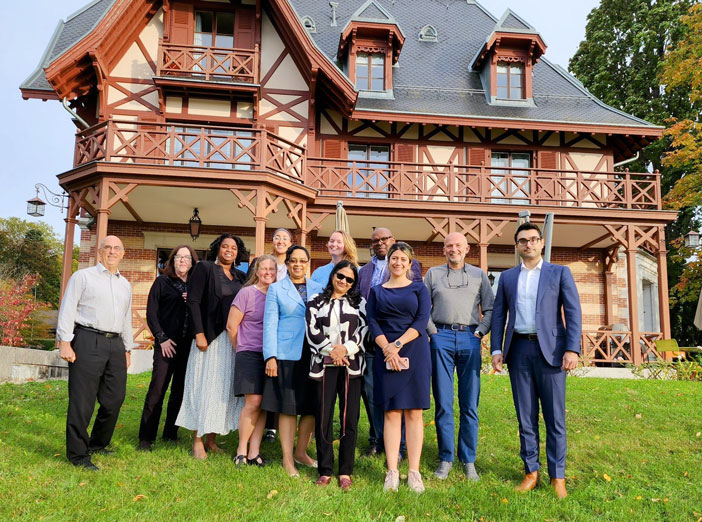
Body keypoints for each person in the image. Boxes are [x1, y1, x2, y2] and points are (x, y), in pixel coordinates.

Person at [491, 223, 582, 499]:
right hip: (518, 350)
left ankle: (558, 476)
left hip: (552, 352)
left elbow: (573, 311)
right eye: (522, 241)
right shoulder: (507, 278)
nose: (528, 244)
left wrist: (572, 349)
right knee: (525, 416)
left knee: (555, 418)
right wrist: (496, 349)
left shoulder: (559, 273)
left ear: (541, 243)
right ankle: (531, 472)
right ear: (517, 246)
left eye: (532, 239)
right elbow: (499, 315)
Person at [57, 235, 133, 470]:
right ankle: (78, 455)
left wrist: (128, 348)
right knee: (83, 400)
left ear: (123, 254)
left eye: (117, 248)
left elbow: (126, 318)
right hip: (88, 339)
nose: (112, 251)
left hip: (115, 344)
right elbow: (68, 308)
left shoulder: (125, 284)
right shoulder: (83, 277)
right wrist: (65, 341)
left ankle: (98, 444)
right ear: (100, 252)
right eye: (107, 247)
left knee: (114, 399)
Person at [424, 232, 494, 481]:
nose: (453, 249)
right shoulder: (433, 274)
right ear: (444, 250)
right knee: (443, 401)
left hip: (469, 337)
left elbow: (490, 308)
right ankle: (446, 458)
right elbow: (423, 307)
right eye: (449, 246)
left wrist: (480, 332)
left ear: (467, 249)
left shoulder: (479, 275)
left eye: (458, 245)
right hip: (441, 337)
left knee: (469, 402)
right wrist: (432, 332)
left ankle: (468, 459)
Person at [176, 234, 248, 459]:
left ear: (238, 253)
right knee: (204, 386)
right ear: (218, 249)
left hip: (231, 339)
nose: (229, 250)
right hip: (209, 338)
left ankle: (211, 439)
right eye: (225, 246)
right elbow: (193, 301)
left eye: (233, 248)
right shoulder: (205, 269)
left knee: (221, 389)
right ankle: (197, 440)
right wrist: (198, 333)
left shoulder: (240, 276)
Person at [367, 242, 431, 493]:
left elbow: (421, 321)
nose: (398, 262)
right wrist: (387, 348)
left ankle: (414, 471)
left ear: (410, 263)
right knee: (391, 412)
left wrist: (397, 345)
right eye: (394, 258)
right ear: (389, 261)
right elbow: (372, 321)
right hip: (385, 352)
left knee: (414, 412)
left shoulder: (419, 289)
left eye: (403, 259)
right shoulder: (376, 291)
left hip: (414, 350)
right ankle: (392, 471)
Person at [358, 227, 422, 456]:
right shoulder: (364, 271)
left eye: (384, 239)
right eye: (375, 240)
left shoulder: (410, 265)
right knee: (373, 392)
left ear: (393, 240)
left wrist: (396, 345)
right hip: (372, 338)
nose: (380, 243)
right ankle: (377, 439)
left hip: (404, 341)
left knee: (401, 394)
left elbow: (415, 306)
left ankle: (400, 445)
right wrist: (382, 342)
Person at [262, 245, 323, 477]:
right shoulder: (276, 289)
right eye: (293, 261)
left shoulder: (319, 288)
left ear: (308, 263)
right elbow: (270, 324)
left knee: (311, 406)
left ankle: (301, 452)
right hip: (287, 354)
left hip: (314, 353)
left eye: (302, 261)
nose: (298, 265)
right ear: (286, 264)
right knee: (288, 407)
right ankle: (287, 459)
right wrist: (270, 356)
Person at [306, 260, 367, 490]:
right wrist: (332, 351)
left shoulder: (360, 303)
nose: (343, 281)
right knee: (323, 417)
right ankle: (325, 469)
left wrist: (345, 350)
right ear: (333, 275)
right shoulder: (315, 301)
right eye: (340, 276)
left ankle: (345, 470)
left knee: (349, 418)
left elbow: (364, 330)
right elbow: (311, 330)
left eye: (349, 279)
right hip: (323, 366)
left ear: (353, 283)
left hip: (351, 367)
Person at [138, 245, 199, 451]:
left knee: (179, 391)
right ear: (172, 260)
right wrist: (162, 338)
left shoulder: (195, 286)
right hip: (166, 344)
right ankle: (146, 437)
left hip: (187, 346)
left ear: (192, 262)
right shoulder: (162, 282)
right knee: (157, 389)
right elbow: (152, 313)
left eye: (187, 257)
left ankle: (170, 433)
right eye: (179, 257)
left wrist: (192, 301)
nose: (182, 260)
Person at [227, 255, 277, 466]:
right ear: (256, 271)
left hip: (270, 355)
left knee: (263, 403)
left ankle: (254, 452)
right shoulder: (246, 293)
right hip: (249, 353)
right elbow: (231, 326)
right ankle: (241, 450)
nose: (268, 272)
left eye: (272, 269)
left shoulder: (276, 294)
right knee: (253, 402)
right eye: (264, 268)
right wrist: (240, 349)